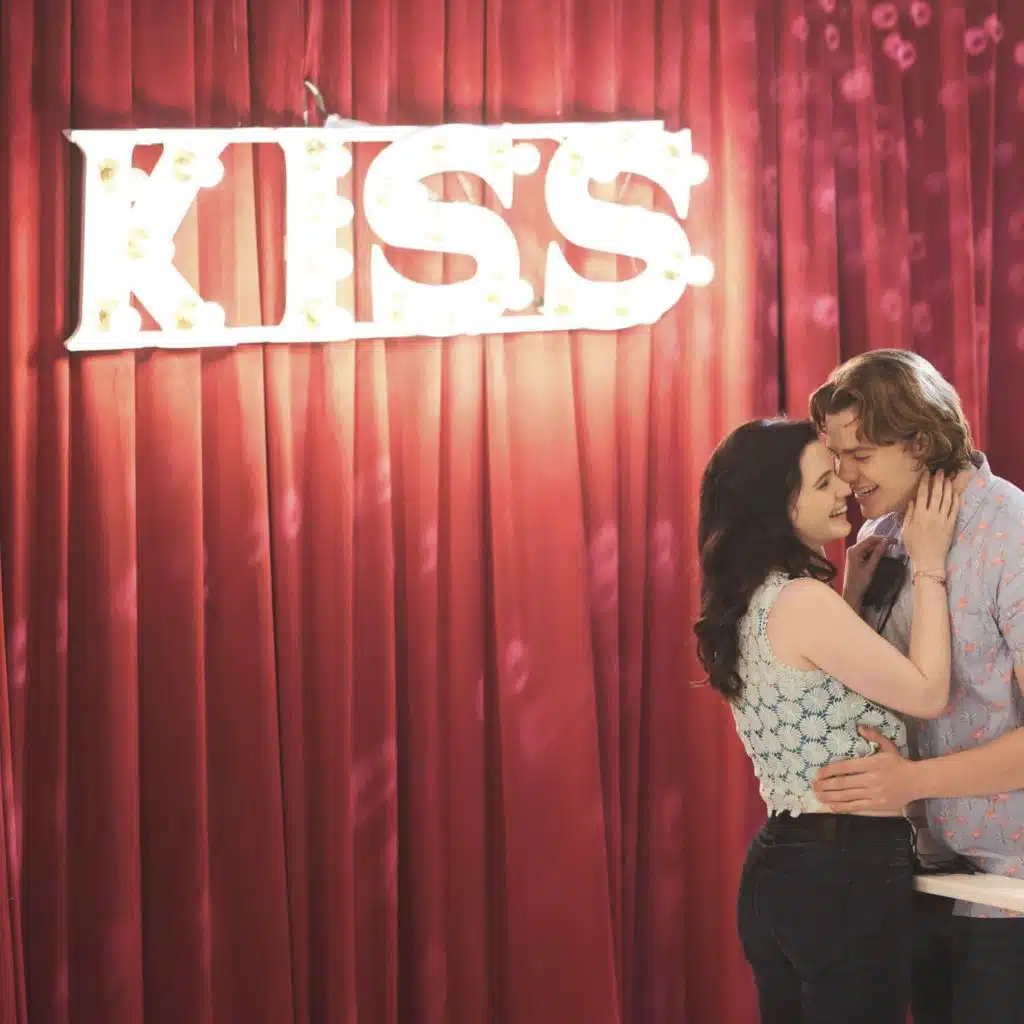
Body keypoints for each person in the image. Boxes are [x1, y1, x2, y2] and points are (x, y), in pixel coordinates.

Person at [694, 417, 959, 1024]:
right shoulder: (801, 602)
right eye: (822, 483)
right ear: (775, 508)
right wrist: (929, 565)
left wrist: (853, 599)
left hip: (781, 871)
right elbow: (928, 693)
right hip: (843, 871)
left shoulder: (754, 601)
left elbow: (815, 685)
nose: (845, 487)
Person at [808, 349, 1024, 1023]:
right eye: (837, 454)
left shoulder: (1011, 533)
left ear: (922, 442)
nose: (845, 475)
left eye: (861, 454)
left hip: (1009, 890)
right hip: (917, 874)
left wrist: (910, 783)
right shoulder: (881, 534)